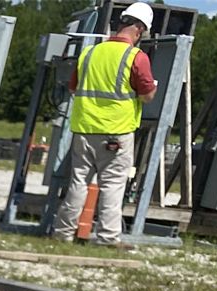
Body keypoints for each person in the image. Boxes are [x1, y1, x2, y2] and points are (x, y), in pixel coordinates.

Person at [54, 1, 159, 246]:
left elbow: (73, 88)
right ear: (140, 29)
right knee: (112, 185)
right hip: (116, 132)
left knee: (78, 183)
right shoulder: (136, 57)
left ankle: (62, 233)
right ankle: (108, 238)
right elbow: (147, 96)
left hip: (84, 129)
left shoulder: (89, 53)